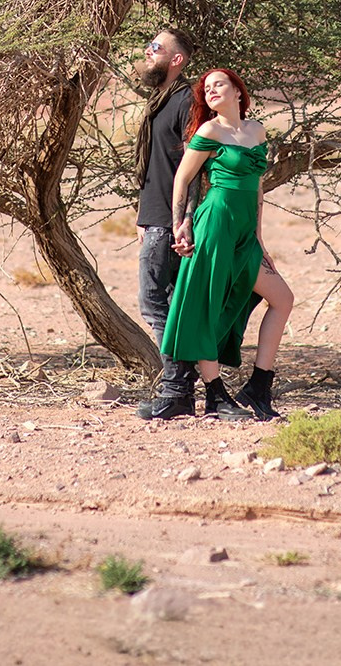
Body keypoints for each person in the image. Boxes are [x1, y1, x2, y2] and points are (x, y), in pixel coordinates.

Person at [160, 67, 294, 421]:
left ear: (238, 90)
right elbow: (183, 178)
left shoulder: (256, 130)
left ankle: (259, 387)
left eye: (219, 84)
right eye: (206, 89)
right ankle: (215, 396)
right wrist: (179, 225)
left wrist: (260, 238)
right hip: (216, 223)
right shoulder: (210, 130)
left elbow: (258, 187)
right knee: (206, 306)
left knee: (282, 299)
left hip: (245, 230)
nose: (210, 91)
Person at [132, 25, 201, 421]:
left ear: (176, 60)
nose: (147, 52)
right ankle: (182, 389)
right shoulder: (161, 99)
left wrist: (182, 219)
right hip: (156, 219)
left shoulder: (185, 102)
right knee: (170, 303)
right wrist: (144, 218)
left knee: (156, 303)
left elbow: (194, 170)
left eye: (155, 48)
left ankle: (177, 389)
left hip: (169, 223)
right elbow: (157, 168)